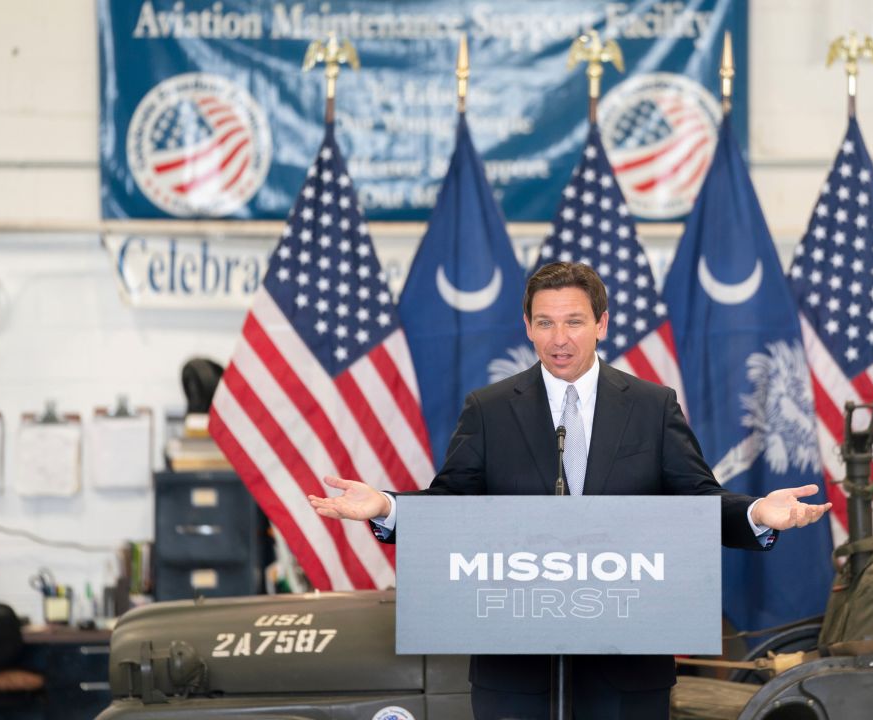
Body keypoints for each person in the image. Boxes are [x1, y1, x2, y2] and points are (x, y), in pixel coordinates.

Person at [309, 261, 831, 719]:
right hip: (516, 673)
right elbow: (452, 508)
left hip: (626, 670)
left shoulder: (651, 407)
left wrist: (759, 512)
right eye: (545, 323)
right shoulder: (489, 410)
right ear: (528, 328)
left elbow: (697, 502)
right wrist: (387, 506)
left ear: (601, 324)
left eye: (574, 322)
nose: (560, 339)